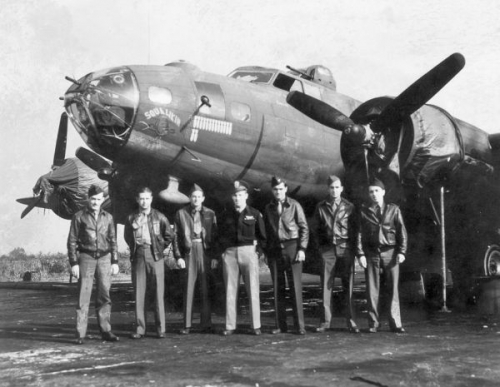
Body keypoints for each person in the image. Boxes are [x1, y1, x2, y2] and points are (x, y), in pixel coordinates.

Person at [67, 184, 120, 345]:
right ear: (88, 199)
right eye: (93, 199)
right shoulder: (79, 217)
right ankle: (80, 333)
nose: (96, 202)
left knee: (104, 295)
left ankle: (105, 330)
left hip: (105, 258)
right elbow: (72, 241)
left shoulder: (108, 217)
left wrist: (115, 261)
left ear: (103, 199)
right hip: (86, 257)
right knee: (84, 295)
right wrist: (74, 263)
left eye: (99, 199)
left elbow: (113, 240)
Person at [356, 178, 408, 333]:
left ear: (383, 192)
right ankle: (373, 323)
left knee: (393, 290)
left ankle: (396, 323)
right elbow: (359, 234)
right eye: (371, 192)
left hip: (390, 253)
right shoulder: (364, 211)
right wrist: (360, 254)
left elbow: (402, 232)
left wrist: (402, 251)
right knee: (372, 290)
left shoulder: (394, 210)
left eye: (377, 191)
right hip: (372, 253)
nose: (374, 194)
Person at [217, 180, 266, 336]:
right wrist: (223, 253)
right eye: (235, 195)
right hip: (230, 254)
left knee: (253, 289)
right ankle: (230, 325)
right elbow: (218, 236)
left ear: (246, 196)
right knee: (230, 290)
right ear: (232, 198)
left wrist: (257, 252)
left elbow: (263, 236)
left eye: (240, 195)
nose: (237, 198)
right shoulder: (225, 215)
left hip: (248, 252)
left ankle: (255, 325)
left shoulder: (255, 214)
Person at [312, 175, 359, 333]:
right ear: (328, 189)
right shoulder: (321, 207)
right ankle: (325, 321)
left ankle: (351, 321)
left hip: (345, 248)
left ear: (342, 189)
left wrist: (352, 250)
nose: (334, 190)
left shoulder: (349, 207)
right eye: (332, 188)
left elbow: (354, 230)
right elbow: (316, 230)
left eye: (337, 187)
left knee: (349, 286)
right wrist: (320, 248)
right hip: (328, 250)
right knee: (326, 285)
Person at [125, 187, 173, 339]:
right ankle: (140, 329)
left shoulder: (159, 216)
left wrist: (159, 247)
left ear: (151, 199)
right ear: (137, 200)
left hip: (155, 255)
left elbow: (169, 235)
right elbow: (127, 236)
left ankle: (161, 329)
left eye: (147, 198)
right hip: (139, 254)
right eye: (142, 198)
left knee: (158, 293)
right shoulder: (131, 217)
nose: (144, 201)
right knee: (139, 293)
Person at [264, 176, 309, 335]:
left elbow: (304, 228)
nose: (278, 192)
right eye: (275, 189)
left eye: (281, 189)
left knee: (295, 287)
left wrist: (302, 249)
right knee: (278, 288)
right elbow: (267, 232)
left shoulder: (294, 205)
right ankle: (280, 325)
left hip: (292, 247)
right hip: (275, 249)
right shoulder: (268, 208)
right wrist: (266, 252)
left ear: (286, 189)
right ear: (272, 190)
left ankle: (299, 326)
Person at [174, 184, 218, 334]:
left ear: (203, 198)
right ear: (190, 198)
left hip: (205, 251)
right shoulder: (181, 213)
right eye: (193, 196)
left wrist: (214, 256)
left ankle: (206, 324)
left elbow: (216, 237)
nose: (196, 199)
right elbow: (175, 237)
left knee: (206, 288)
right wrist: (178, 256)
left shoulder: (211, 214)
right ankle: (187, 325)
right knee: (188, 287)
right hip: (189, 250)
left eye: (199, 196)